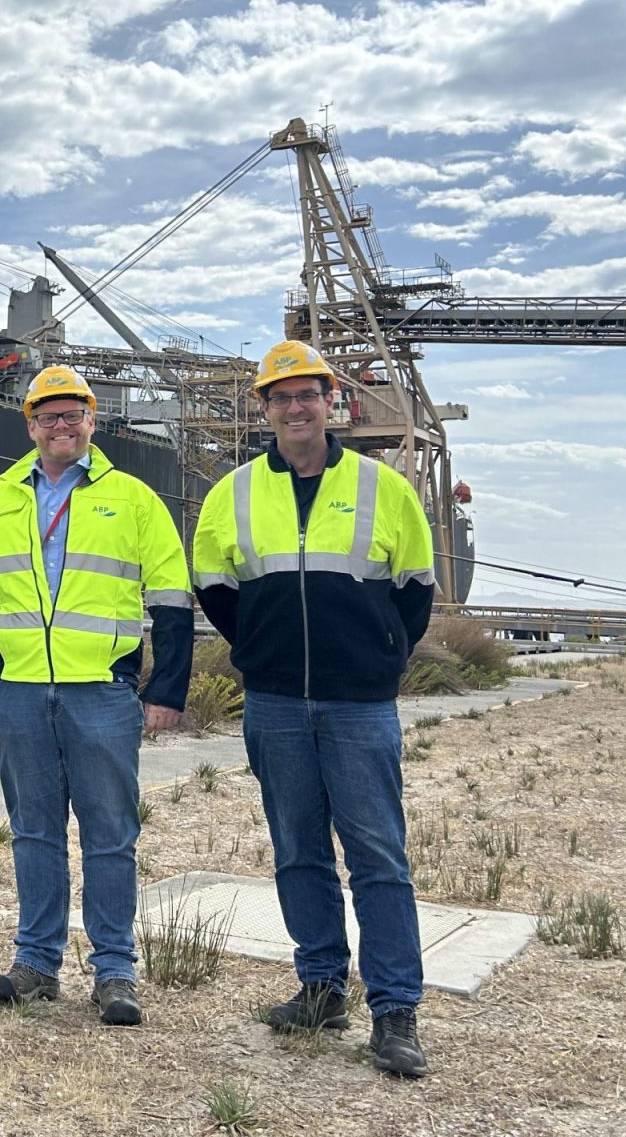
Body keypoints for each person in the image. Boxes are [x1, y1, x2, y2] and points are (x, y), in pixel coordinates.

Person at [191, 340, 437, 1077]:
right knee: (298, 851)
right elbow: (214, 583)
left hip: (359, 702)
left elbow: (416, 587)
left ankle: (395, 1010)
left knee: (378, 858)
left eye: (308, 395)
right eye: (281, 397)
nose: (296, 408)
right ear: (263, 408)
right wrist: (262, 651)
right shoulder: (233, 492)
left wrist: (380, 655)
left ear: (332, 401)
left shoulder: (381, 486)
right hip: (275, 702)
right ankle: (321, 987)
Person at [0, 365, 193, 1026]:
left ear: (93, 421)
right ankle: (36, 962)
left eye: (73, 415)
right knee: (33, 832)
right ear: (30, 425)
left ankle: (116, 971)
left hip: (102, 692)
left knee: (110, 835)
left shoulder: (135, 500)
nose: (61, 426)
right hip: (23, 691)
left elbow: (172, 596)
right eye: (48, 416)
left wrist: (166, 685)